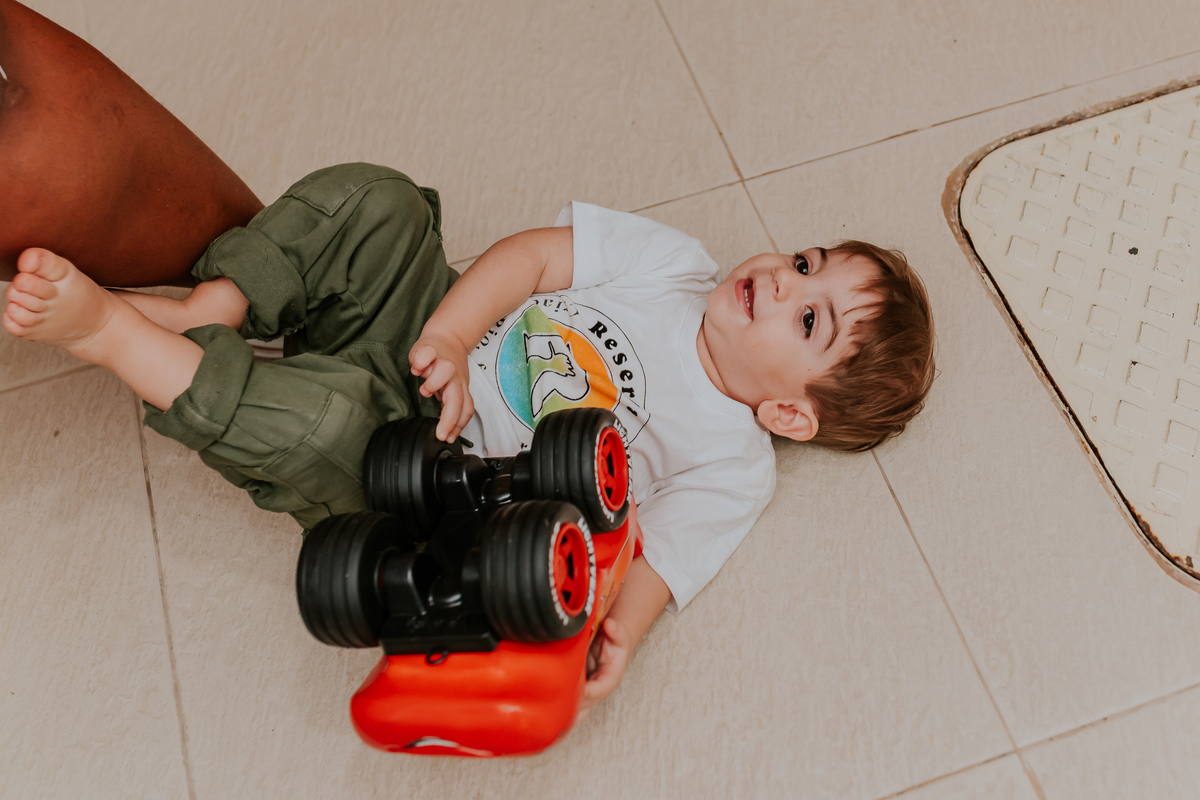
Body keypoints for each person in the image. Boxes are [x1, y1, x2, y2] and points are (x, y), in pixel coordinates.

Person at [2, 162, 935, 720]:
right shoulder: (676, 264)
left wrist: (619, 632)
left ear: (790, 414)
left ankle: (112, 337)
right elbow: (530, 257)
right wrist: (448, 334)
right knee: (385, 203)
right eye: (806, 262)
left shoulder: (733, 464)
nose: (780, 280)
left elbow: (660, 564)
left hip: (430, 480)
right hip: (422, 338)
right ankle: (219, 304)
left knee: (321, 427)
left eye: (809, 319)